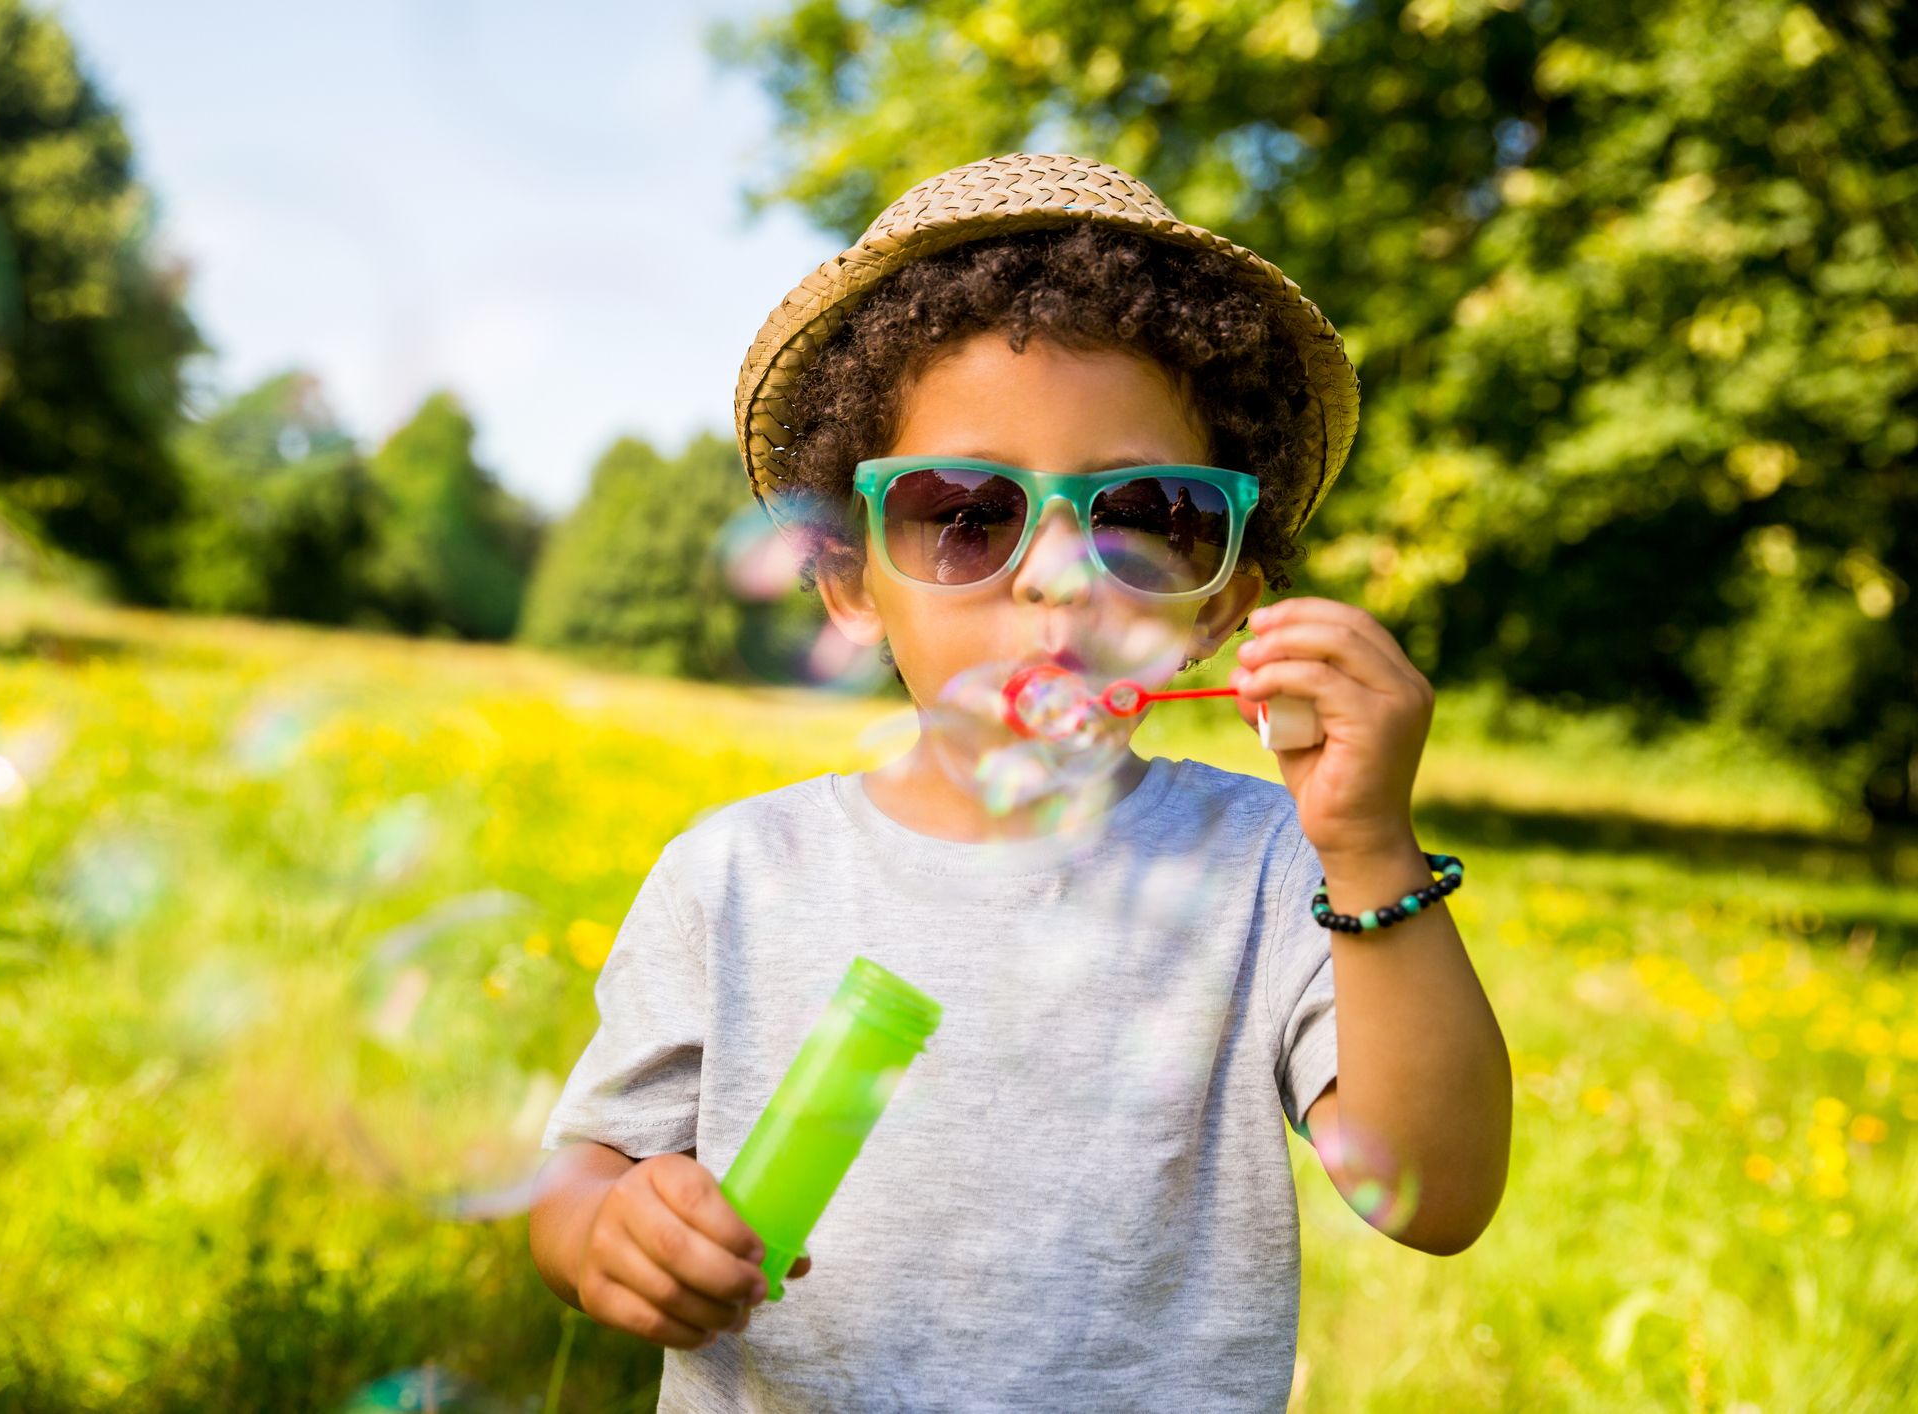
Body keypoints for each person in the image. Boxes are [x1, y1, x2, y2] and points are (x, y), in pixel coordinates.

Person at [526, 152, 1512, 1411]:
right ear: (846, 580)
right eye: (968, 513)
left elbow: (1438, 1196)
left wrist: (1372, 847)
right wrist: (606, 1230)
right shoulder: (739, 875)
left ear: (1224, 605)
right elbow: (587, 1169)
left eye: (1144, 514)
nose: (1055, 576)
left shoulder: (1273, 866)